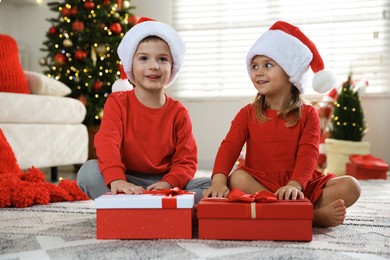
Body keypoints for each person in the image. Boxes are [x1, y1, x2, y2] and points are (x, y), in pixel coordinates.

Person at [202, 21, 361, 227]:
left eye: (268, 65)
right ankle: (309, 216)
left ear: (290, 72)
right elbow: (230, 146)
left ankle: (288, 210)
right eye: (254, 66)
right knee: (238, 178)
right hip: (260, 182)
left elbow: (308, 153)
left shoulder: (308, 114)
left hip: (300, 183)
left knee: (351, 186)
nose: (258, 72)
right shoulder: (248, 113)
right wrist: (218, 181)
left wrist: (295, 184)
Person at [77, 17, 211, 203]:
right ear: (131, 64)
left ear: (173, 67)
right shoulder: (117, 102)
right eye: (143, 58)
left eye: (162, 59)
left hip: (165, 183)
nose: (153, 66)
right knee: (88, 172)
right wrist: (116, 179)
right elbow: (107, 143)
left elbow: (186, 160)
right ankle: (155, 207)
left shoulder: (179, 112)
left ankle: (136, 206)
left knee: (212, 185)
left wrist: (169, 183)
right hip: (126, 178)